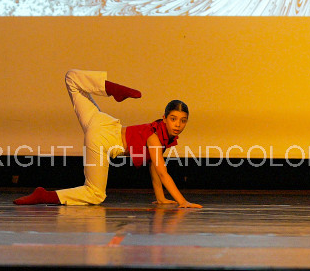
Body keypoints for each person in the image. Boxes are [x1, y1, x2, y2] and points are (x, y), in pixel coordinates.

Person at [13, 69, 202, 208]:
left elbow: (154, 168)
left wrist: (161, 198)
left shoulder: (162, 137)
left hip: (102, 121)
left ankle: (109, 88)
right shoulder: (155, 138)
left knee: (72, 78)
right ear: (164, 118)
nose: (178, 124)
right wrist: (182, 201)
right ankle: (45, 196)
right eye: (173, 119)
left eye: (183, 120)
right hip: (103, 138)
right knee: (95, 194)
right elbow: (162, 173)